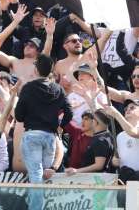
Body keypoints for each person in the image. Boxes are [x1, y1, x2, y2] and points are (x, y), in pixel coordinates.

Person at [15, 54, 73, 210]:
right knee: (44, 177)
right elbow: (69, 113)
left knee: (36, 176)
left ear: (36, 69)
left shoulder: (28, 87)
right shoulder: (58, 89)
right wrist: (60, 126)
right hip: (50, 137)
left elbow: (18, 116)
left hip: (33, 135)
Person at [65, 110, 115, 175]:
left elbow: (99, 165)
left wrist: (77, 171)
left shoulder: (100, 139)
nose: (82, 121)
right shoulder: (107, 136)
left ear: (95, 122)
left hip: (95, 180)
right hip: (94, 178)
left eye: (88, 119)